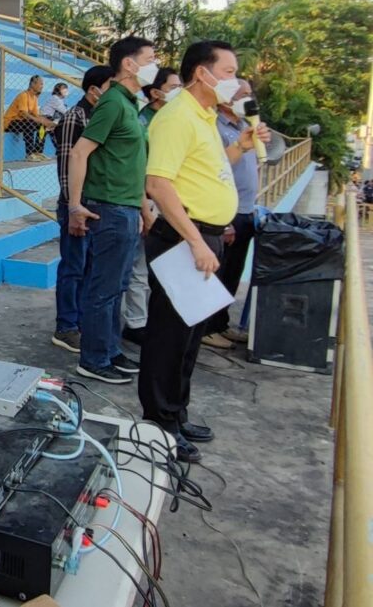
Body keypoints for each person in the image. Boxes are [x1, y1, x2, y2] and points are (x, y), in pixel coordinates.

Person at [139, 40, 269, 463]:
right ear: (202, 73)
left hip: (204, 235)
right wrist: (196, 241)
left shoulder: (205, 115)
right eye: (229, 72)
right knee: (169, 337)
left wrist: (242, 147)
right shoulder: (177, 116)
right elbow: (158, 184)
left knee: (190, 337)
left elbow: (206, 171)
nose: (236, 81)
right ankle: (159, 424)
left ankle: (175, 413)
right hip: (183, 238)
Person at [66, 36, 156, 383]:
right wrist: (75, 205)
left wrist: (143, 210)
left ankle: (109, 349)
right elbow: (79, 152)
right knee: (103, 289)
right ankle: (93, 358)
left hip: (127, 208)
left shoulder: (130, 104)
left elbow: (132, 163)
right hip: (110, 207)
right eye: (150, 59)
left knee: (117, 286)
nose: (155, 65)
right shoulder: (113, 103)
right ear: (129, 64)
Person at [51, 65, 113, 353]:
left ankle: (82, 320)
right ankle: (66, 326)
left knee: (90, 267)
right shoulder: (75, 117)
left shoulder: (102, 115)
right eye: (110, 86)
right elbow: (67, 164)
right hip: (76, 206)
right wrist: (73, 207)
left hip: (95, 204)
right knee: (73, 268)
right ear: (93, 90)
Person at [122, 67, 182, 346]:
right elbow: (141, 170)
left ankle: (155, 319)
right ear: (156, 92)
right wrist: (145, 208)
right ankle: (136, 322)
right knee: (140, 267)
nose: (179, 91)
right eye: (173, 87)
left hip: (172, 200)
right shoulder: (144, 122)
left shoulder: (176, 118)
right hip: (148, 199)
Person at [201, 80, 262, 349]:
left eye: (249, 93)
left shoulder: (244, 127)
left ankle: (220, 323)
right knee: (219, 272)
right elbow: (215, 170)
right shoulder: (216, 126)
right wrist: (225, 221)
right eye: (243, 94)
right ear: (227, 99)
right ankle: (206, 327)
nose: (249, 98)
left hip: (246, 210)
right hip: (227, 213)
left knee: (232, 273)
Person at [3, 75, 53, 161]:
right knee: (30, 123)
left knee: (42, 125)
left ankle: (38, 152)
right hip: (10, 123)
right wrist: (37, 120)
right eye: (40, 84)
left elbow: (36, 115)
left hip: (22, 122)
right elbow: (24, 114)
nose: (42, 86)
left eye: (42, 84)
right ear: (33, 84)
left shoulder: (34, 98)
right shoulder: (23, 95)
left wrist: (45, 121)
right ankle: (29, 154)